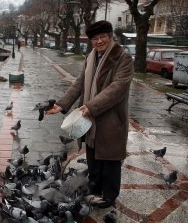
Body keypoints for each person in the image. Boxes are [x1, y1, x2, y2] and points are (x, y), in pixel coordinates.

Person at [46, 20, 134, 209]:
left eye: (102, 37)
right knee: (93, 154)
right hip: (91, 117)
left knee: (109, 158)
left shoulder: (122, 58)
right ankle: (94, 187)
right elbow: (80, 83)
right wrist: (62, 105)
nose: (99, 41)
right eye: (94, 38)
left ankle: (109, 195)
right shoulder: (91, 56)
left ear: (110, 36)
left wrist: (91, 106)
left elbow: (118, 88)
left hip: (110, 118)